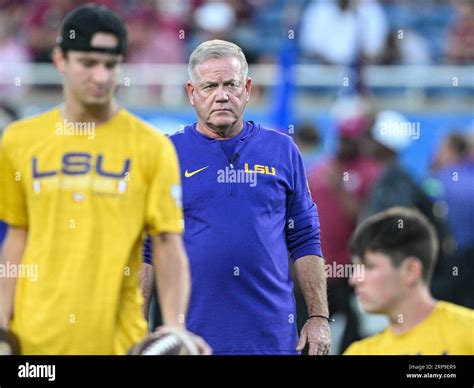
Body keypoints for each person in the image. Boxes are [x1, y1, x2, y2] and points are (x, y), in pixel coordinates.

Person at [0, 4, 210, 355]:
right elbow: (17, 237)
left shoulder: (152, 146)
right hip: (34, 345)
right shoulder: (20, 140)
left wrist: (174, 324)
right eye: (87, 63)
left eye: (110, 65)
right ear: (60, 60)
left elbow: (167, 244)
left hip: (119, 343)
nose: (101, 77)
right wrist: (3, 325)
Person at [159, 39, 330, 355]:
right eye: (209, 86)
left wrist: (319, 316)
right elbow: (148, 249)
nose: (221, 95)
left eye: (231, 85)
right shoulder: (166, 155)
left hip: (273, 340)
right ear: (191, 93)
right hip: (191, 340)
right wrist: (139, 324)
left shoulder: (283, 151)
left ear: (248, 88)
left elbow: (305, 238)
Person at [344, 207, 474, 355]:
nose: (353, 279)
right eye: (355, 268)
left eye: (369, 266)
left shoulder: (469, 332)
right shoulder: (359, 352)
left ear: (411, 270)